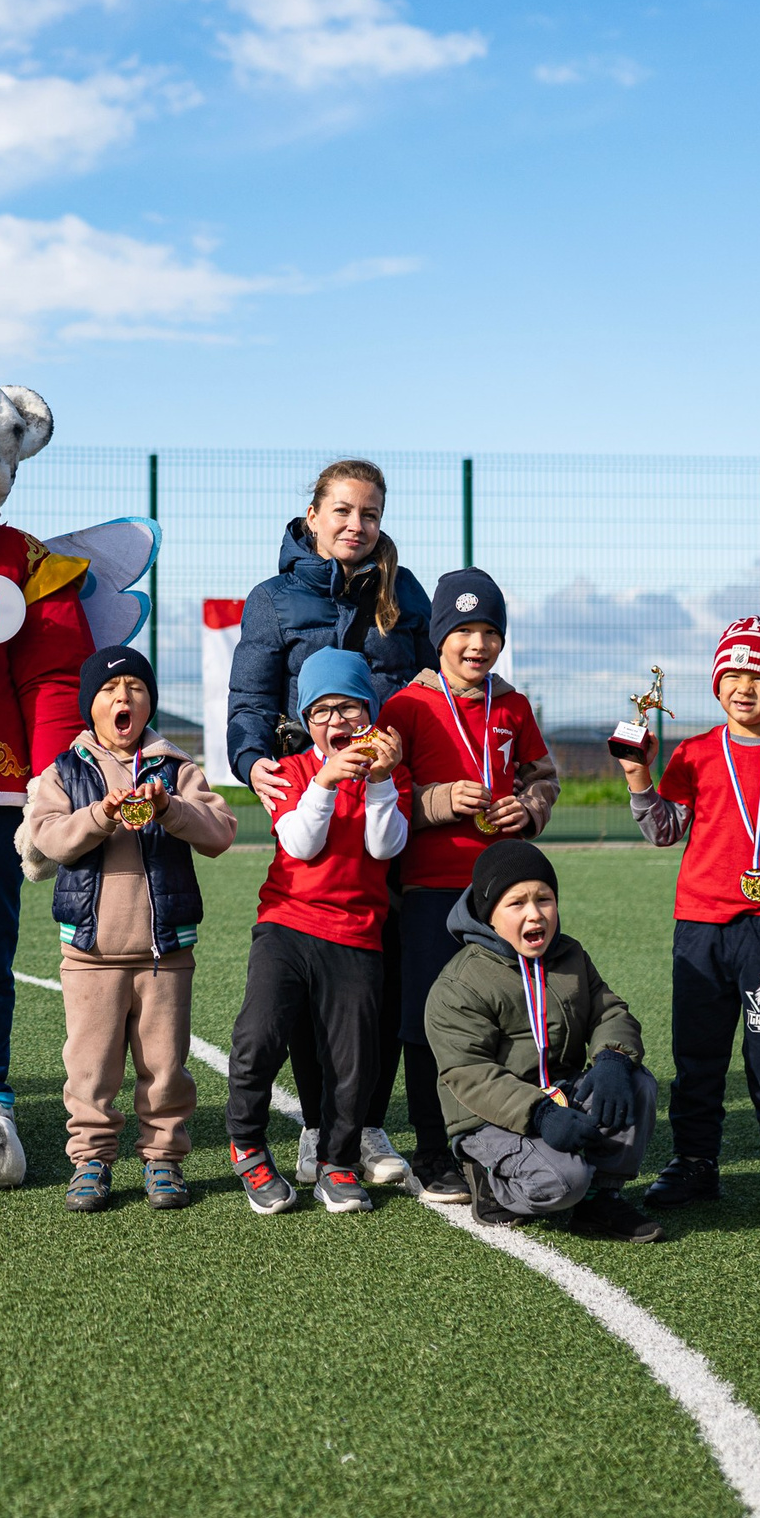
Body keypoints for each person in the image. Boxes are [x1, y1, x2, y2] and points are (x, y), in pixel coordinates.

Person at [221, 459, 430, 1191]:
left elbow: (429, 687)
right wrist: (252, 763)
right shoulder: (273, 599)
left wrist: (402, 769)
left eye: (369, 514)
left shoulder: (404, 591)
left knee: (377, 978)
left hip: (386, 801)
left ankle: (364, 1123)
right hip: (311, 804)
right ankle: (317, 1128)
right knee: (312, 975)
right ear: (312, 515)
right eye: (342, 510)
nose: (355, 525)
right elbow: (250, 701)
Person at [621, 619, 760, 1221]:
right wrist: (638, 777)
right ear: (716, 684)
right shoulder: (694, 753)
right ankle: (695, 1161)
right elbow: (664, 831)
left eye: (759, 677)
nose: (744, 687)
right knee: (698, 1053)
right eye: (733, 674)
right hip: (700, 926)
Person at [21, 645, 238, 1212]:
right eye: (110, 690)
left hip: (166, 951)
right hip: (90, 950)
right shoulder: (65, 770)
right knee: (90, 1068)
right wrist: (100, 815)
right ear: (89, 707)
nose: (124, 698)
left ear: (150, 704)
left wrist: (169, 809)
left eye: (137, 689)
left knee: (165, 1067)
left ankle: (163, 1159)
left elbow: (220, 833)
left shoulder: (177, 769)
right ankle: (91, 1160)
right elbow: (49, 837)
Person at [373, 569, 559, 1200]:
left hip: (499, 894)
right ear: (440, 637)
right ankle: (433, 1149)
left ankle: (496, 1138)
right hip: (429, 889)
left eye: (490, 633)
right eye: (464, 632)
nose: (478, 645)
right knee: (429, 1021)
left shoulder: (514, 705)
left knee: (505, 1016)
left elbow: (543, 778)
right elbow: (386, 798)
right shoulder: (405, 706)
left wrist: (527, 809)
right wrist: (439, 800)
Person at [221, 649, 409, 1215]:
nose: (337, 721)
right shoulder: (292, 771)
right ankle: (247, 1145)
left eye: (349, 707)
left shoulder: (386, 774)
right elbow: (302, 844)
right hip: (286, 924)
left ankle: (336, 1161)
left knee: (354, 1061)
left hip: (357, 934)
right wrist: (325, 779)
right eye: (322, 711)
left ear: (369, 713)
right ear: (306, 721)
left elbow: (385, 847)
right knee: (258, 1037)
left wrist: (381, 782)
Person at [424, 842, 663, 1242]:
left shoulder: (569, 954)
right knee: (563, 1183)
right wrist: (539, 1114)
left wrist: (612, 1059)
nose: (534, 913)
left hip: (559, 1092)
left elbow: (609, 1012)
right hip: (488, 1116)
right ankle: (488, 1179)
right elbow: (468, 1073)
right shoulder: (460, 982)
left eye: (544, 899)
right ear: (489, 915)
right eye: (516, 903)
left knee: (637, 1082)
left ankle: (601, 1200)